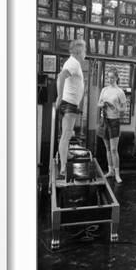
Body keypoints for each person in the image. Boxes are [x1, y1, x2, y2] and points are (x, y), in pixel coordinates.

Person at [56, 39, 86, 177]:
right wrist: (59, 97)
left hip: (69, 104)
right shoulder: (73, 63)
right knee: (66, 135)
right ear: (79, 51)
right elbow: (61, 77)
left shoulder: (73, 63)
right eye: (84, 50)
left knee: (67, 134)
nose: (85, 53)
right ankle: (63, 168)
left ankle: (66, 154)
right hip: (69, 104)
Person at [97, 67, 126, 183]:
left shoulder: (120, 92)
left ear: (117, 78)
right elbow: (98, 104)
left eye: (112, 78)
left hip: (114, 121)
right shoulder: (104, 90)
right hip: (104, 121)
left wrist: (118, 108)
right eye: (109, 77)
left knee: (114, 149)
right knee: (108, 148)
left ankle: (117, 174)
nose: (110, 80)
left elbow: (124, 108)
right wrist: (102, 104)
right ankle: (110, 171)